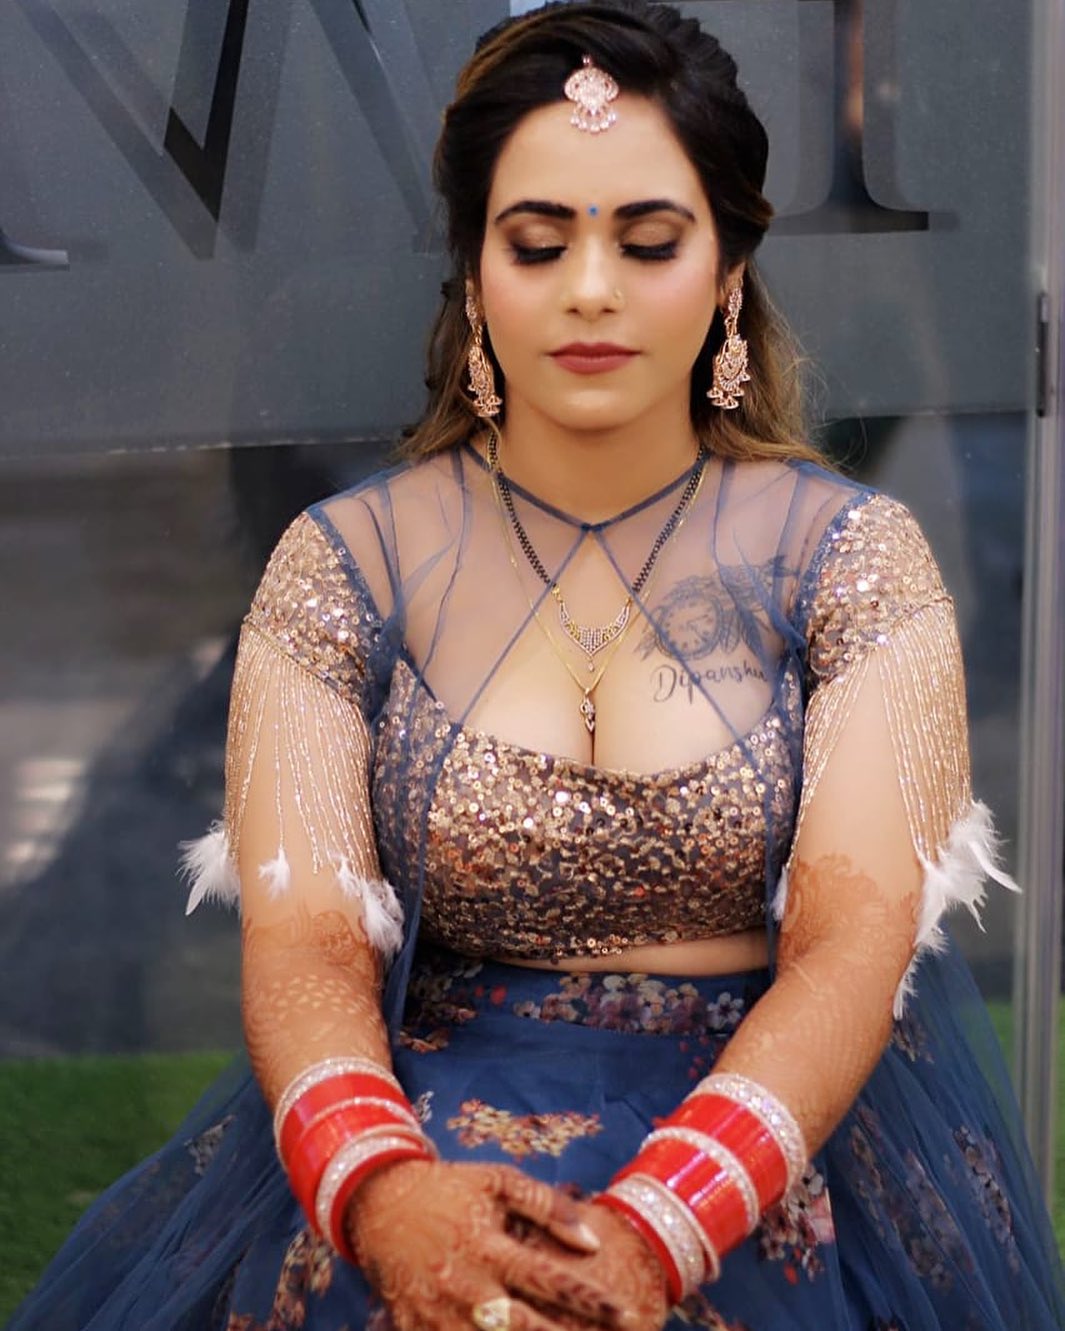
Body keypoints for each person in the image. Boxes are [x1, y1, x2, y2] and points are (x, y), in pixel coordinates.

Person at [9, 3, 1064, 1329]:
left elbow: (852, 941)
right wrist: (382, 1195)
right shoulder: (346, 566)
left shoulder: (852, 563)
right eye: (538, 241)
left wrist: (657, 1228)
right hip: (410, 1142)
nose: (590, 289)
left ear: (729, 270)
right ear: (473, 270)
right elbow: (305, 936)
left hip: (761, 1137)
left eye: (649, 240)